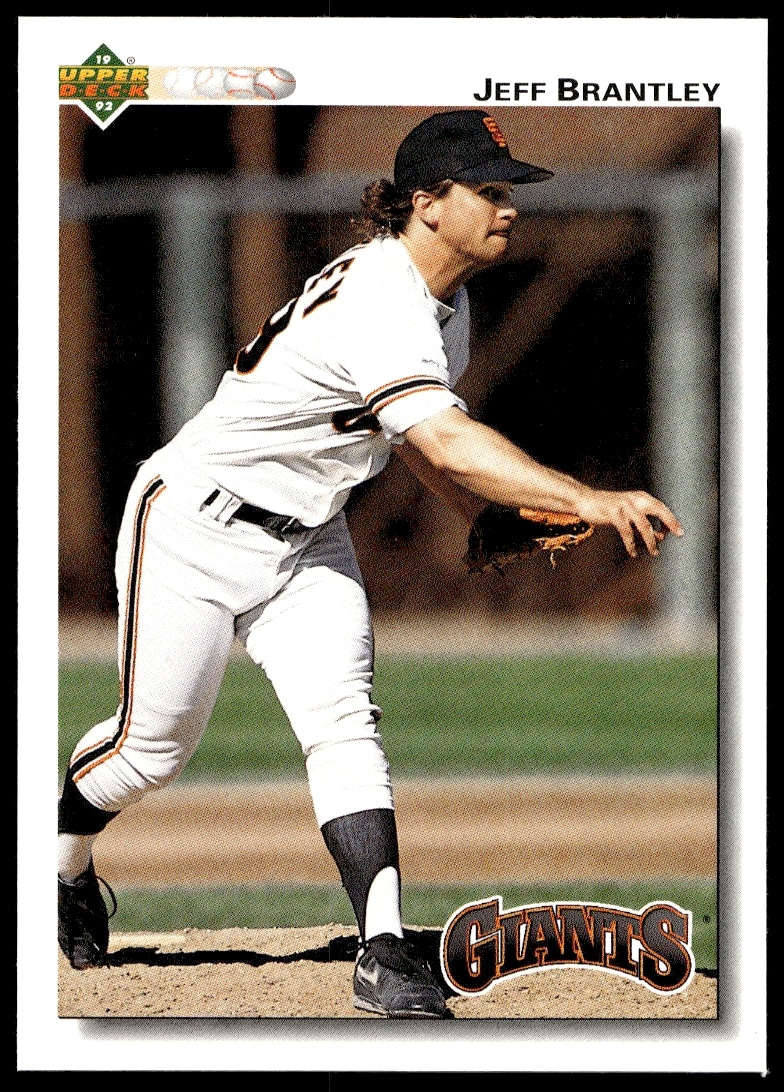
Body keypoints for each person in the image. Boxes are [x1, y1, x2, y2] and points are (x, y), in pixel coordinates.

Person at [58, 109, 683, 1019]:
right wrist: (586, 498)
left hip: (309, 535)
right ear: (427, 203)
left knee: (346, 724)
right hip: (193, 525)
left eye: (508, 191)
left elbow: (419, 443)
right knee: (149, 752)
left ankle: (382, 949)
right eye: (489, 191)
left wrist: (476, 516)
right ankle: (63, 862)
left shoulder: (445, 304)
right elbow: (449, 438)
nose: (509, 208)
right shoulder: (382, 297)